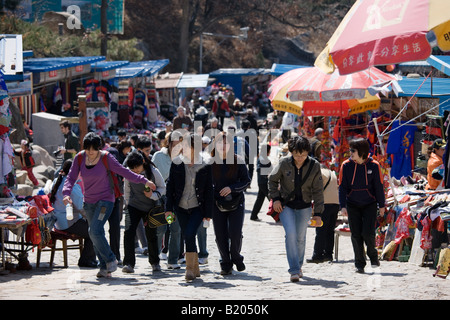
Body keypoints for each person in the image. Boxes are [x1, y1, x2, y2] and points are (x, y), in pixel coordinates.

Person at [63, 132, 156, 278]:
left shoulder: (106, 157)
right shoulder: (80, 158)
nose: (90, 152)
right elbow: (71, 177)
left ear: (99, 148)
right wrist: (66, 193)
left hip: (106, 200)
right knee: (94, 234)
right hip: (89, 202)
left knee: (94, 230)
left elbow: (124, 171)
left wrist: (144, 180)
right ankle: (104, 266)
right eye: (88, 149)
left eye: (93, 149)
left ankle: (111, 259)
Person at [268, 136, 324, 282]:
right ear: (291, 152)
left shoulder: (314, 165)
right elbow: (272, 180)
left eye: (303, 155)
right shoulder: (284, 163)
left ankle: (298, 266)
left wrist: (318, 213)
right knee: (291, 234)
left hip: (305, 206)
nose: (300, 158)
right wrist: (275, 199)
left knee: (300, 237)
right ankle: (293, 269)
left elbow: (318, 191)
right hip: (286, 206)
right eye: (297, 155)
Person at [165, 133, 214, 280]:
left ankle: (189, 270)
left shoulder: (205, 164)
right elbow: (170, 187)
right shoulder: (177, 163)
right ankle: (195, 269)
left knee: (189, 234)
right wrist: (168, 209)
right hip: (180, 206)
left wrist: (208, 214)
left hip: (197, 207)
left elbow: (209, 189)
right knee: (188, 236)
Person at [338, 138, 385, 274]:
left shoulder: (374, 166)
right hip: (352, 204)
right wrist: (343, 206)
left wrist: (381, 205)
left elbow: (378, 187)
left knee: (368, 233)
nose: (350, 153)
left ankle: (373, 256)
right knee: (356, 234)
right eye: (350, 150)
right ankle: (359, 263)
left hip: (370, 204)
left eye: (353, 150)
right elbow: (342, 187)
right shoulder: (346, 166)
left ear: (362, 152)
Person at [211, 132, 250, 275]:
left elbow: (246, 181)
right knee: (220, 235)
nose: (223, 146)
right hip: (216, 204)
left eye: (226, 143)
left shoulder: (238, 160)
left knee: (235, 233)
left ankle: (236, 257)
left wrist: (231, 189)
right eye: (220, 143)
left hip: (236, 202)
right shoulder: (210, 163)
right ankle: (225, 263)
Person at [122, 151, 166, 273]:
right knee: (129, 232)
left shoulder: (153, 171)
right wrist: (127, 204)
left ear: (143, 162)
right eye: (132, 169)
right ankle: (129, 263)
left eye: (137, 168)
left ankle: (155, 262)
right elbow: (127, 190)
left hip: (150, 208)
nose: (135, 171)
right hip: (133, 206)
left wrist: (153, 195)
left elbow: (162, 187)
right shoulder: (128, 172)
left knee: (151, 235)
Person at [49, 159, 97, 268]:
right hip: (68, 222)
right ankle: (87, 260)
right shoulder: (72, 186)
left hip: (58, 221)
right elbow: (82, 207)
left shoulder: (57, 180)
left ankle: (87, 259)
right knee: (94, 230)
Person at [152, 131, 183, 269]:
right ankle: (155, 259)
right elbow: (150, 173)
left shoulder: (183, 158)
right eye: (174, 142)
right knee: (161, 228)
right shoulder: (159, 156)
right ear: (169, 142)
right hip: (161, 197)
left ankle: (172, 260)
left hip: (176, 199)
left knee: (175, 228)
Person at [307, 164, 339, 263]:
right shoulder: (332, 173)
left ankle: (317, 255)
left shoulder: (320, 173)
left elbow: (316, 189)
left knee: (320, 230)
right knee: (330, 230)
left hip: (325, 204)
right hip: (335, 204)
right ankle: (328, 254)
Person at [250, 144, 272, 221]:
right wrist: (266, 175)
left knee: (260, 199)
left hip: (261, 182)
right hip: (264, 183)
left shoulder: (262, 158)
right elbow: (259, 169)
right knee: (272, 199)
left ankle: (253, 215)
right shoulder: (262, 159)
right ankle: (278, 216)